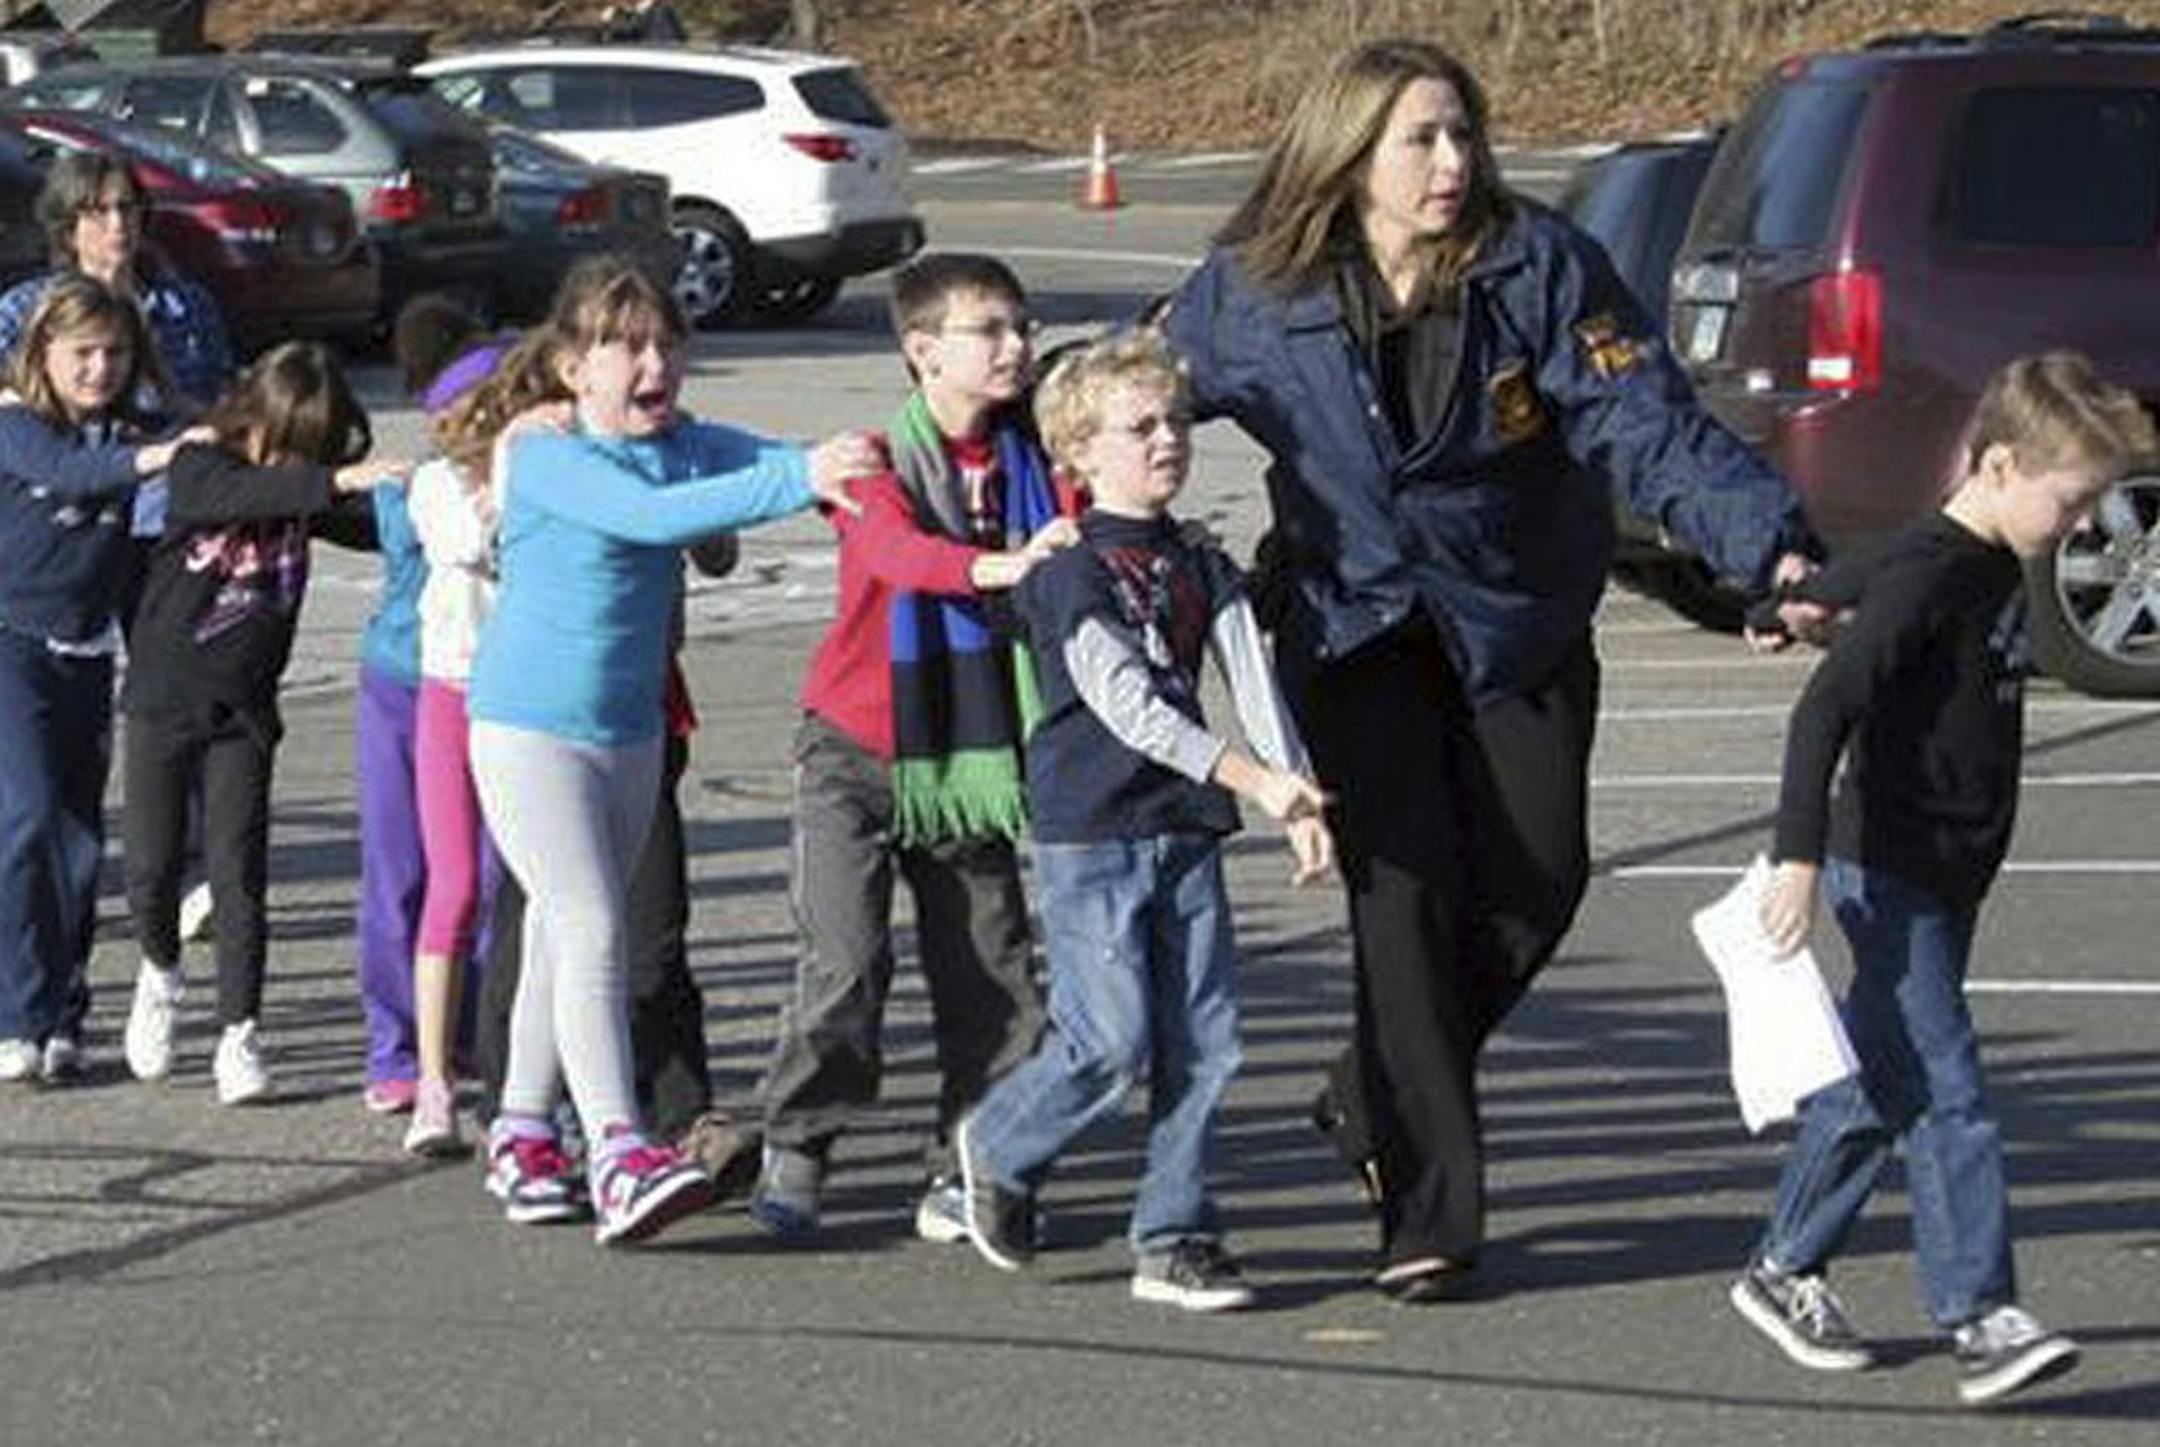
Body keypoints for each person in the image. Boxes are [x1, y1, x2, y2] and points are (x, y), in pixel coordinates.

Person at [1159, 38, 1821, 1301]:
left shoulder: (1541, 267)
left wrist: (1773, 551)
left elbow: (1653, 427)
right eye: (1422, 139)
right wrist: (1015, 485)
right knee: (1402, 907)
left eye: (1464, 133)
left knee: (1537, 879)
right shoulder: (1254, 289)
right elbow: (1125, 399)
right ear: (1350, 155)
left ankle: (1372, 1092)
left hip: (1512, 615)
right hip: (1350, 626)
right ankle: (1426, 1212)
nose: (1453, 163)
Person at [1733, 352, 2153, 1407]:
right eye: (2071, 499)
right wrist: (1796, 858)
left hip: (1949, 868)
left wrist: (1792, 603)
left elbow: (1863, 570)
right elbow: (1824, 709)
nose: (2081, 523)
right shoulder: (1939, 568)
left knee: (1882, 1080)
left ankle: (1784, 1268)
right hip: (1890, 870)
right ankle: (1981, 1314)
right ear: (2004, 465)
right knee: (1949, 1092)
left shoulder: (1965, 555)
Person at [468, 257, 876, 1246]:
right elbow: (654, 517)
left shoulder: (681, 443)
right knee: (593, 921)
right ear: (572, 367)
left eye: (666, 344)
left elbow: (756, 462)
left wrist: (848, 459)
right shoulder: (551, 457)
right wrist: (800, 475)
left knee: (567, 940)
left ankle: (523, 1131)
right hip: (528, 726)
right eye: (626, 346)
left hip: (630, 726)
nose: (655, 363)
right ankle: (619, 1150)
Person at [952, 329, 1332, 1311]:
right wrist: (1253, 778)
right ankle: (995, 1146)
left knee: (1206, 1040)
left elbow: (1247, 671)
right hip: (1094, 829)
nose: (1167, 439)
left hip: (1185, 825)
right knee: (1111, 1040)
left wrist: (1297, 790)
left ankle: (1176, 1234)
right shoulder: (1067, 571)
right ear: (1078, 452)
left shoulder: (1200, 556)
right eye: (1139, 426)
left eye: (1174, 421)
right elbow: (1127, 702)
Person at [747, 252, 1072, 1242]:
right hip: (856, 743)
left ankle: (974, 1154)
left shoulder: (1042, 458)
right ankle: (800, 1139)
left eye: (1021, 325)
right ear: (923, 351)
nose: (1016, 346)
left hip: (971, 753)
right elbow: (893, 555)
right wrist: (1002, 563)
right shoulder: (872, 463)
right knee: (845, 964)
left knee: (991, 967)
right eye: (990, 330)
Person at [118, 343, 399, 1104]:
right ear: (259, 416)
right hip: (161, 701)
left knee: (238, 875)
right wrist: (330, 480)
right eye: (292, 442)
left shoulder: (305, 492)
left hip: (242, 714)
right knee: (148, 868)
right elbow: (234, 498)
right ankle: (159, 969)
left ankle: (239, 1033)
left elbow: (370, 519)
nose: (300, 464)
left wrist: (428, 497)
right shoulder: (200, 463)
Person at [0, 278, 199, 1084]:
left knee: (80, 844)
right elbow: (71, 475)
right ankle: (15, 1012)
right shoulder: (14, 421)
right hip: (10, 644)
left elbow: (219, 436)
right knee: (27, 817)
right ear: (43, 353)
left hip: (85, 652)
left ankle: (62, 1013)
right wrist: (158, 456)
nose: (99, 368)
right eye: (82, 352)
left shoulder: (135, 427)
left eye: (115, 353)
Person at [351, 296, 503, 1119]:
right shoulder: (424, 488)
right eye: (457, 407)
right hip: (408, 682)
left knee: (484, 871)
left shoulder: (529, 470)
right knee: (403, 870)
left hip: (496, 690)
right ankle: (397, 1045)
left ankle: (473, 1029)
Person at [397, 328, 545, 1153]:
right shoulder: (434, 485)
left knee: (517, 885)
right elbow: (467, 544)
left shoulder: (543, 473)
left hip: (523, 695)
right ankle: (432, 1080)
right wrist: (507, 488)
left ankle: (518, 1069)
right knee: (453, 885)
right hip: (452, 691)